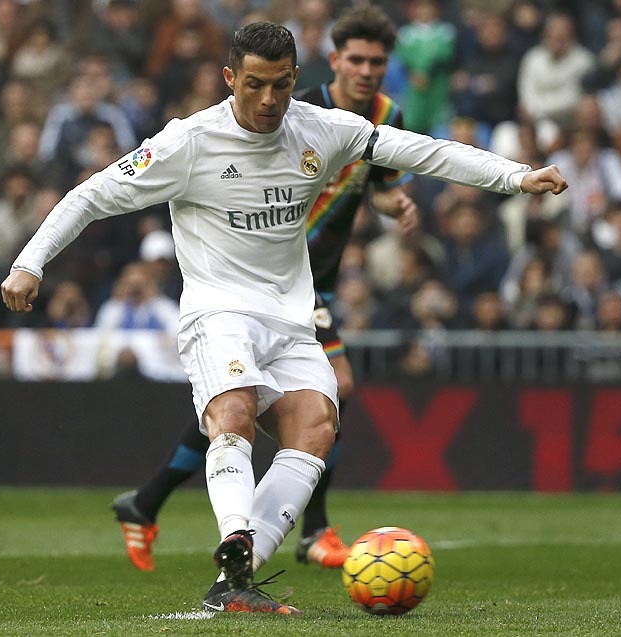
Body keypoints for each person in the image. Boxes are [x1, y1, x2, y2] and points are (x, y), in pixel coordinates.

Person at [1, 21, 567, 615]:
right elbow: (90, 194)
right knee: (233, 412)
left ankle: (235, 579)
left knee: (317, 425)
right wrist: (30, 263)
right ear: (230, 78)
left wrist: (515, 176)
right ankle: (234, 536)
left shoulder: (323, 129)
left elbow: (422, 150)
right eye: (254, 85)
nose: (269, 99)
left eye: (280, 85)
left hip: (291, 318)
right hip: (219, 310)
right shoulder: (188, 142)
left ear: (296, 78)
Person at [112, 5, 417, 574]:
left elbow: (377, 183)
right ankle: (314, 528)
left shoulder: (384, 116)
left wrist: (391, 201)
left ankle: (149, 500)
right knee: (319, 388)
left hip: (312, 284)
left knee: (245, 402)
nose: (367, 71)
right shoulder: (302, 109)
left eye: (377, 62)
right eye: (356, 60)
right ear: (333, 62)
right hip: (269, 284)